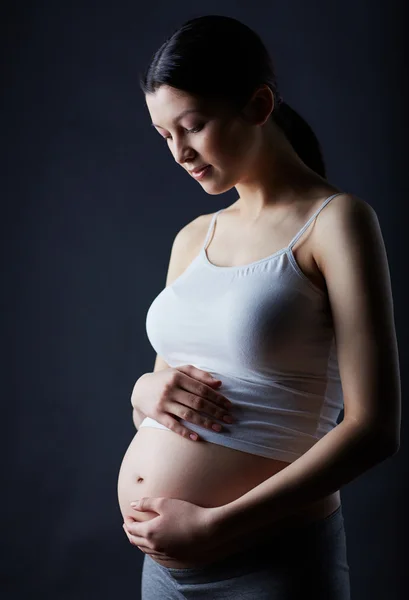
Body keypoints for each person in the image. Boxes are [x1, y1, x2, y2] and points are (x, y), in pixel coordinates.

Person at [123, 14, 401, 599]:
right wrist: (141, 395)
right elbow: (166, 399)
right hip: (165, 571)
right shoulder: (191, 237)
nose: (178, 152)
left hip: (271, 564)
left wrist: (214, 524)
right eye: (163, 135)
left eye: (193, 126)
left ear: (258, 104)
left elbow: (375, 429)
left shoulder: (336, 223)